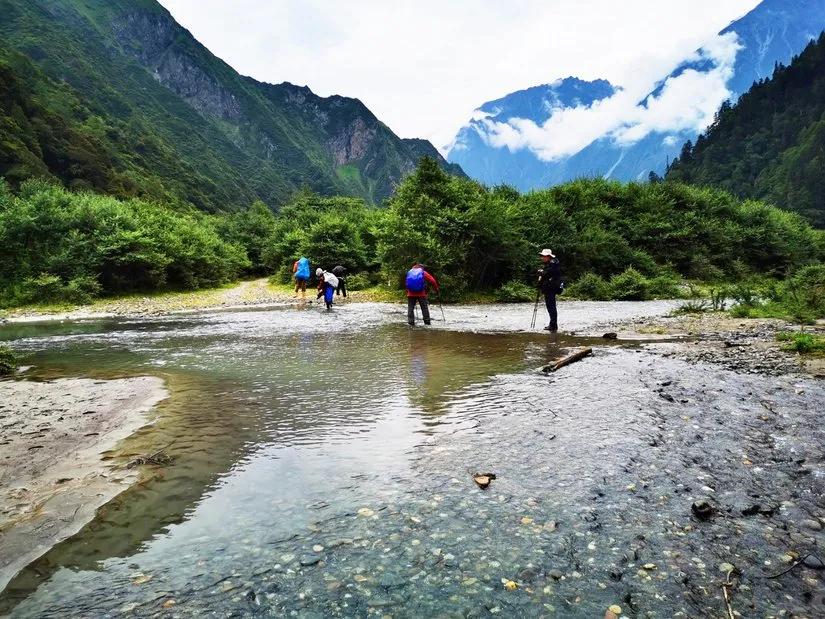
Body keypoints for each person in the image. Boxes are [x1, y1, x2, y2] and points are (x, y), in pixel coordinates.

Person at [537, 249, 563, 332]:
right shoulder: (552, 263)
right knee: (551, 307)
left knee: (551, 307)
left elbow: (547, 274)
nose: (542, 257)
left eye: (543, 256)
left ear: (548, 257)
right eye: (542, 256)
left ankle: (553, 325)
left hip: (551, 288)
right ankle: (552, 325)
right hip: (551, 288)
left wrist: (541, 272)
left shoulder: (552, 264)